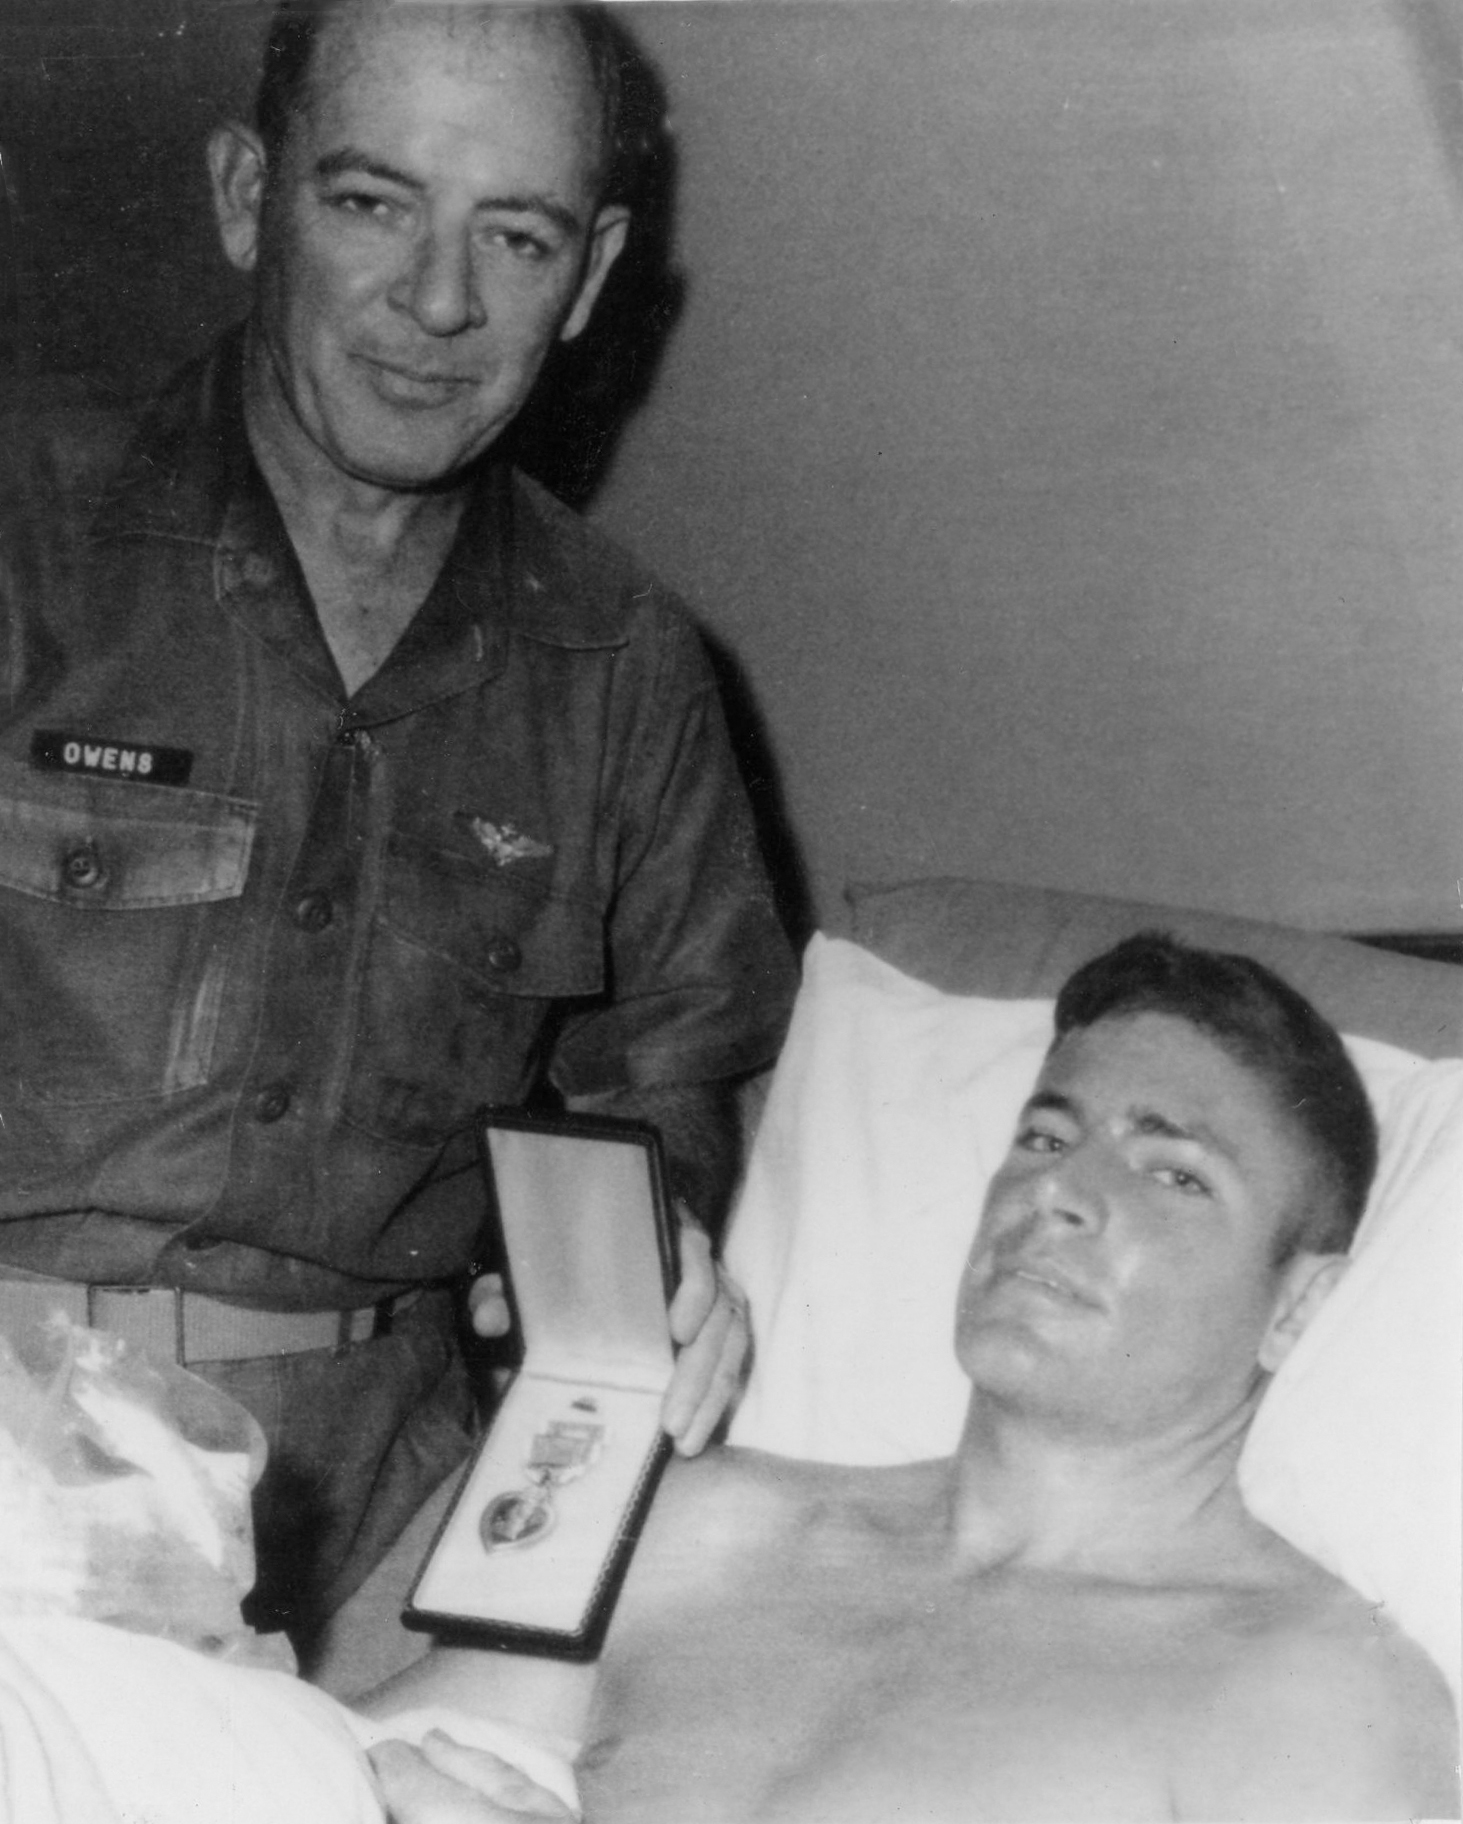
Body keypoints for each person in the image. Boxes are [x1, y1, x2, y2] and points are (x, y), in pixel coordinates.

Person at [0, 0, 796, 1644]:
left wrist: (654, 1248)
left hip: (391, 1522)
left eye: (516, 236)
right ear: (247, 198)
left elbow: (677, 1084)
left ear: (589, 275)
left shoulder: (628, 666)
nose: (439, 302)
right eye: (372, 202)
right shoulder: (27, 532)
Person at [362, 934, 1460, 1823]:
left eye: (1174, 1173)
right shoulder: (708, 1531)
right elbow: (334, 1767)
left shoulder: (1311, 1692)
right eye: (1045, 1138)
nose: (1058, 1192)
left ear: (1297, 1306)